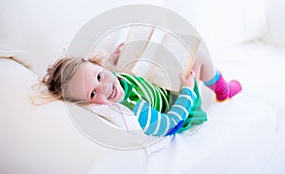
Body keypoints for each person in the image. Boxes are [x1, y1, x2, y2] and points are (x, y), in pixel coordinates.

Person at [40, 42, 242, 136]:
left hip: (162, 86)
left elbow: (104, 76)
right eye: (93, 93)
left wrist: (114, 58)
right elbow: (169, 124)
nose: (105, 89)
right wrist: (187, 92)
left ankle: (219, 87)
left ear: (99, 65)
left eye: (99, 76)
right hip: (180, 106)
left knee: (187, 48)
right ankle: (223, 90)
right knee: (199, 57)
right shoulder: (133, 109)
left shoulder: (111, 80)